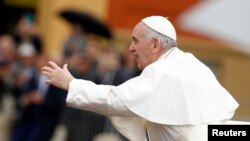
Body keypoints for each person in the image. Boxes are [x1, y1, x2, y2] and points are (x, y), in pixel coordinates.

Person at [41, 16, 239, 141]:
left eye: (135, 41)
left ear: (155, 45)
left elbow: (115, 99)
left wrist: (71, 84)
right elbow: (218, 129)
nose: (130, 48)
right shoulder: (192, 64)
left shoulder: (163, 71)